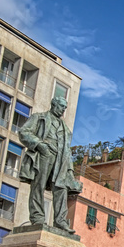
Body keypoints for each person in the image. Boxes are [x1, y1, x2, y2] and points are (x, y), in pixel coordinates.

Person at [18, 96, 82, 233]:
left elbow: (67, 151)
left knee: (61, 189)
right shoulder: (39, 118)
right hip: (43, 155)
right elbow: (23, 132)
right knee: (38, 186)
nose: (63, 110)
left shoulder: (66, 129)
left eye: (65, 108)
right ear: (54, 104)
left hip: (60, 160)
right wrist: (39, 144)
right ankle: (38, 218)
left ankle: (60, 221)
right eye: (61, 107)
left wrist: (70, 170)